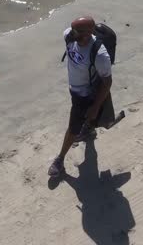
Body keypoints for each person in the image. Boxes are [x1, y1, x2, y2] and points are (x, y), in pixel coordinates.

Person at [48, 16, 113, 177]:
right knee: (88, 116)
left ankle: (60, 160)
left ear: (87, 34)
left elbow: (107, 82)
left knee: (73, 127)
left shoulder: (100, 55)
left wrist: (96, 106)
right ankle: (89, 130)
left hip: (85, 93)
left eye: (76, 32)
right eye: (72, 30)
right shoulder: (69, 35)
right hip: (73, 89)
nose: (71, 34)